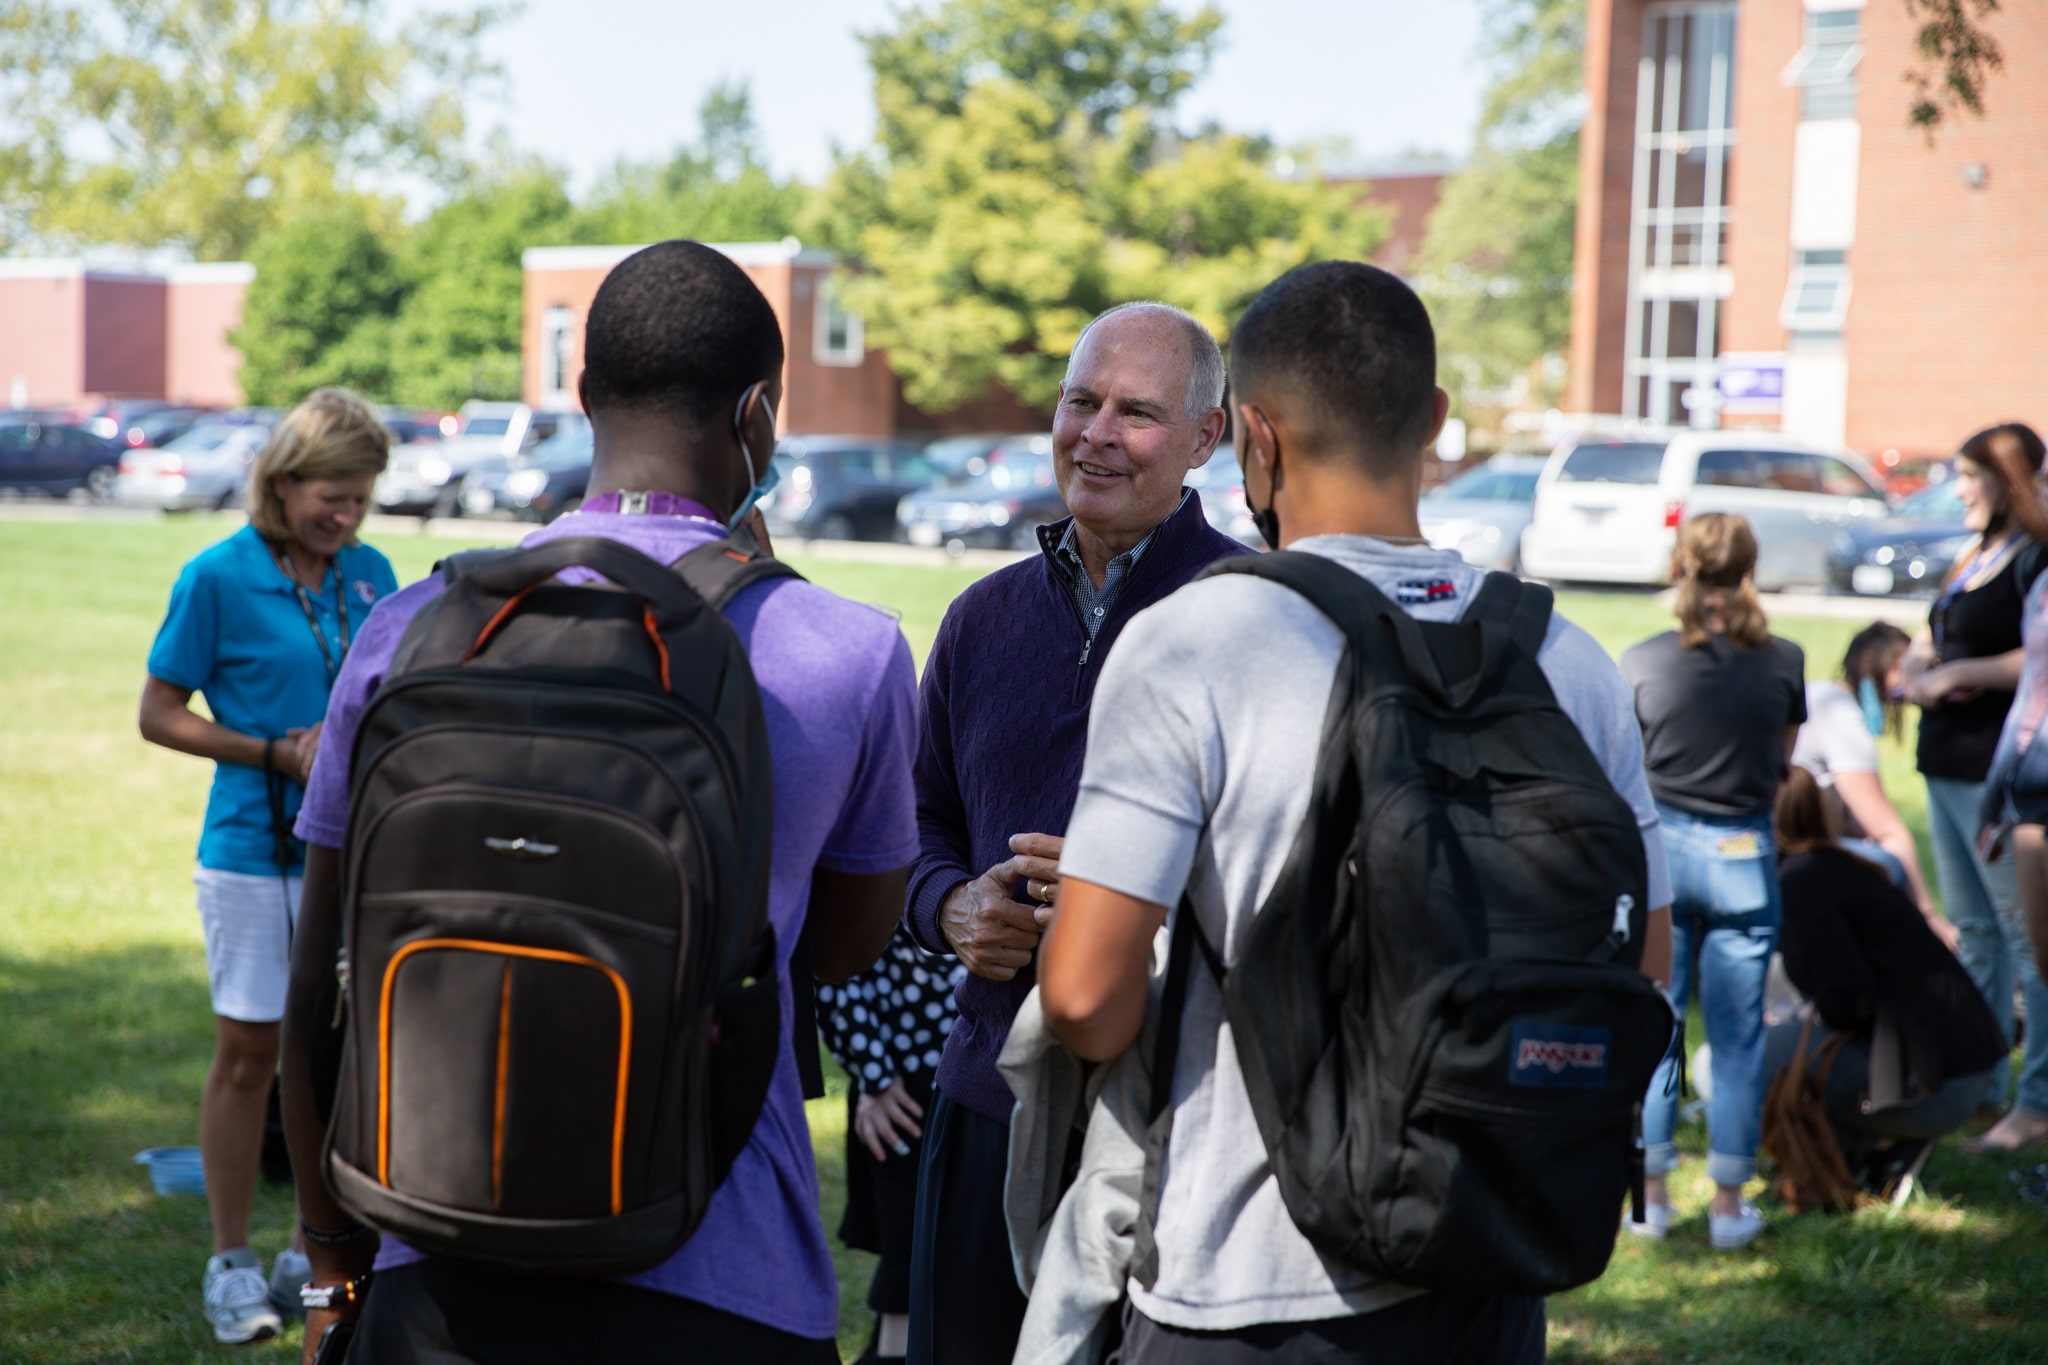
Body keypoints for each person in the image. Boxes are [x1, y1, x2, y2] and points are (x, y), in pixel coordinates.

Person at [277, 240, 919, 1363]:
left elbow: (316, 979)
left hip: (438, 1250)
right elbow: (839, 948)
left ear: (581, 397)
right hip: (725, 1272)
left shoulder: (415, 629)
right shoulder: (849, 652)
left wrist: (335, 1261)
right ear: (758, 414)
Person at [1038, 261, 1672, 1361]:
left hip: (1239, 1281)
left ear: (1250, 439)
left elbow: (1085, 999)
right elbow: (1644, 963)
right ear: (1431, 421)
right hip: (1490, 1256)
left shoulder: (1197, 642)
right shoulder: (1565, 658)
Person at [902, 301, 1250, 1365]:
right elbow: (914, 826)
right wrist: (946, 906)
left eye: (1136, 412)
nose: (1095, 432)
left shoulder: (1248, 618)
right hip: (984, 1099)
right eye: (1079, 400)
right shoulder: (980, 618)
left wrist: (1118, 896)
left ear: (1207, 437)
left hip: (1174, 1127)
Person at [138, 389, 398, 1344]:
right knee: (251, 1054)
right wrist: (274, 751)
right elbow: (158, 712)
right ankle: (231, 1260)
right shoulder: (217, 576)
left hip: (353, 857)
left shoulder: (372, 575)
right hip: (252, 853)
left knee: (336, 1055)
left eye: (361, 500)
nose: (348, 518)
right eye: (332, 496)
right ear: (281, 483)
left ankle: (309, 1252)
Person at [1622, 512, 1805, 1251]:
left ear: (1681, 565)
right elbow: (1783, 764)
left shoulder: (1642, 660)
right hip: (1743, 854)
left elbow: (1628, 769)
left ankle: (1652, 1198)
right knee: (1737, 1041)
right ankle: (1729, 1205)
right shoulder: (1786, 660)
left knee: (1658, 1033)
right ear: (1751, 568)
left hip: (1664, 852)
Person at [1903, 424, 2048, 1153]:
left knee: (2028, 938)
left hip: (2001, 776)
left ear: (2007, 476)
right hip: (1945, 765)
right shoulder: (1977, 554)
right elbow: (1949, 627)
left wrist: (1960, 674)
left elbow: (2037, 655)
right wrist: (1920, 656)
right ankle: (1982, 1085)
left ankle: (2036, 1101)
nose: (1956, 488)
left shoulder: (2035, 555)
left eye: (1967, 474)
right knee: (1979, 936)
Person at [1767, 766, 2007, 1179]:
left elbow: (1848, 1000)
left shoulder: (1801, 882)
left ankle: (1872, 1143)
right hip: (1962, 1072)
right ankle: (1873, 1145)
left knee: (1738, 1059)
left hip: (1937, 1091)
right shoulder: (1838, 865)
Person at [816, 935, 965, 1363]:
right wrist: (875, 1077)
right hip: (905, 1093)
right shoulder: (899, 869)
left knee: (941, 1265)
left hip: (969, 1084)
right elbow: (831, 962)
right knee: (910, 1266)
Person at [1791, 622, 1950, 939]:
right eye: (1902, 668)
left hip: (1790, 840)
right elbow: (1887, 830)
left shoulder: (1821, 693)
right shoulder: (1842, 717)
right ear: (1878, 667)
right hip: (1797, 851)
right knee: (1889, 866)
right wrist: (1928, 915)